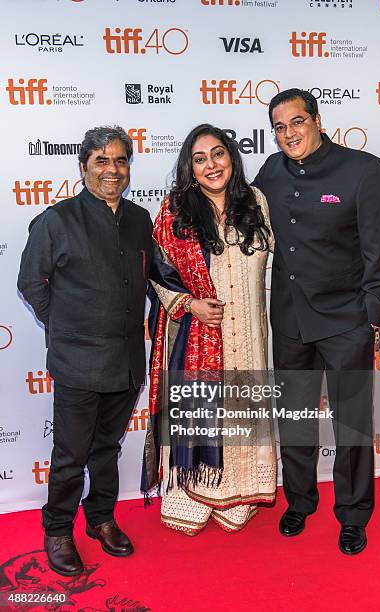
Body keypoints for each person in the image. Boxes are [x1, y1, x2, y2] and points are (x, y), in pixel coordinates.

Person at [253, 88, 380, 554]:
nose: (288, 134)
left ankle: (354, 514)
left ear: (316, 120)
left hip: (346, 320)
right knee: (294, 418)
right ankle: (299, 500)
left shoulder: (364, 170)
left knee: (352, 423)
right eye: (279, 127)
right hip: (291, 318)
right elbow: (236, 218)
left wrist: (371, 318)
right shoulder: (271, 173)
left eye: (296, 122)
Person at [17, 126, 153, 576]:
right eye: (101, 161)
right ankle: (57, 529)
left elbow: (154, 278)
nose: (112, 170)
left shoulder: (139, 219)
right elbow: (31, 283)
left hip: (128, 359)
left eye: (120, 161)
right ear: (83, 168)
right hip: (77, 361)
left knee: (106, 448)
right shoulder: (57, 221)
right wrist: (66, 326)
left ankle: (100, 519)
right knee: (71, 453)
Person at [142, 124, 277, 535]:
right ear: (190, 167)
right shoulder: (176, 211)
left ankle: (239, 491)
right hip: (200, 333)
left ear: (232, 158)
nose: (211, 165)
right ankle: (194, 491)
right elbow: (157, 272)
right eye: (200, 159)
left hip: (250, 335)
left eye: (218, 154)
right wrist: (191, 305)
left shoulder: (255, 201)